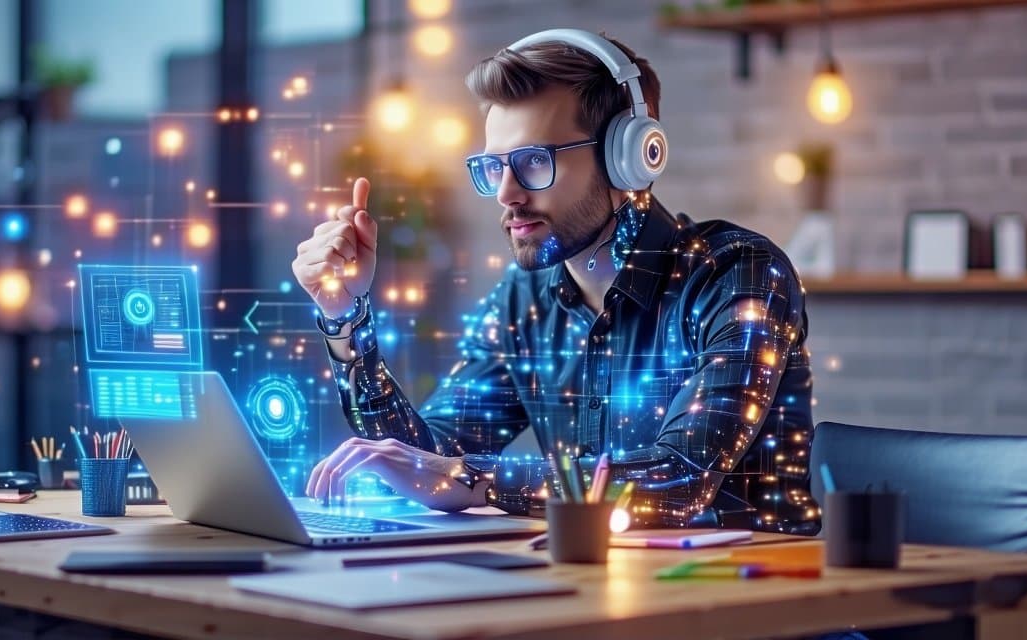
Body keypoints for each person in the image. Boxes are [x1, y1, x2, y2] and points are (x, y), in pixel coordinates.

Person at [291, 29, 818, 533]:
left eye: (533, 162)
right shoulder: (524, 302)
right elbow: (428, 460)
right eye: (494, 166)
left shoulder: (736, 275)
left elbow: (679, 478)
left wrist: (474, 479)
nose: (506, 193)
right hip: (596, 597)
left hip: (754, 607)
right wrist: (346, 319)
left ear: (629, 158)